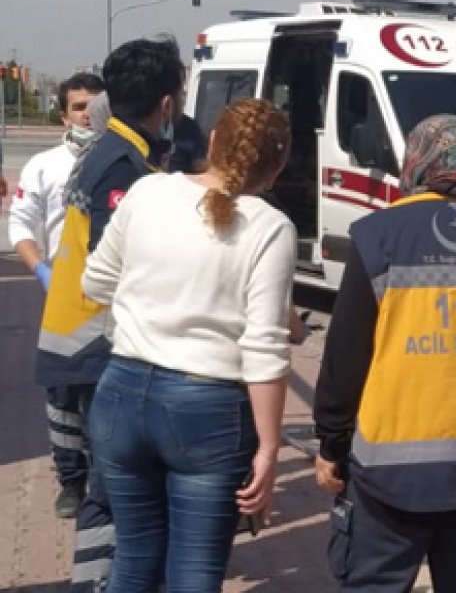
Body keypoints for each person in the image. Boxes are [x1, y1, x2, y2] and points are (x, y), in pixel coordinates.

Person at [312, 114, 456, 593]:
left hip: (391, 479)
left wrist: (332, 444)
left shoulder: (378, 236)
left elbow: (346, 355)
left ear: (416, 163)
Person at [81, 98, 294, 591]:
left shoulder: (148, 191)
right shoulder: (269, 226)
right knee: (194, 572)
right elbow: (264, 348)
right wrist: (268, 448)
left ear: (214, 141)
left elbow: (95, 283)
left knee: (133, 559)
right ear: (278, 166)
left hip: (121, 393)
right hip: (207, 408)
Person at [34, 35, 187, 592]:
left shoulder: (110, 150)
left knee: (112, 489)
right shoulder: (124, 167)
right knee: (112, 492)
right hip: (97, 348)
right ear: (167, 104)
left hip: (80, 342)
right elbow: (116, 265)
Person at [7, 72, 105, 518]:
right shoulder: (44, 165)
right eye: (79, 106)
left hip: (113, 297)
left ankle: (108, 477)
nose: (87, 113)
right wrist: (40, 269)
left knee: (108, 391)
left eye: (94, 104)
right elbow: (20, 225)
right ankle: (71, 479)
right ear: (64, 113)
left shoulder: (122, 161)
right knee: (64, 393)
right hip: (63, 296)